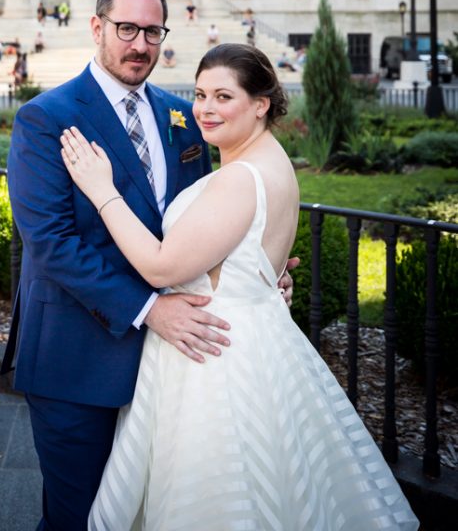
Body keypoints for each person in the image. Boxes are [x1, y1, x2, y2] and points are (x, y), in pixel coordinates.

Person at [61, 44, 419, 531]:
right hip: (253, 332)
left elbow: (162, 268)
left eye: (224, 96)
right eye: (201, 94)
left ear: (261, 103)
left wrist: (101, 190)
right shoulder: (271, 162)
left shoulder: (240, 179)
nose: (205, 109)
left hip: (214, 353)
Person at [1, 0, 296, 530]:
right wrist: (149, 309)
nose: (140, 44)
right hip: (77, 357)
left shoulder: (184, 114)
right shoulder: (44, 118)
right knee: (81, 516)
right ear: (96, 27)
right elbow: (51, 242)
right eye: (126, 28)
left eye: (152, 32)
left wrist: (252, 271)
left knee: (148, 513)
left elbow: (198, 223)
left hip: (172, 368)